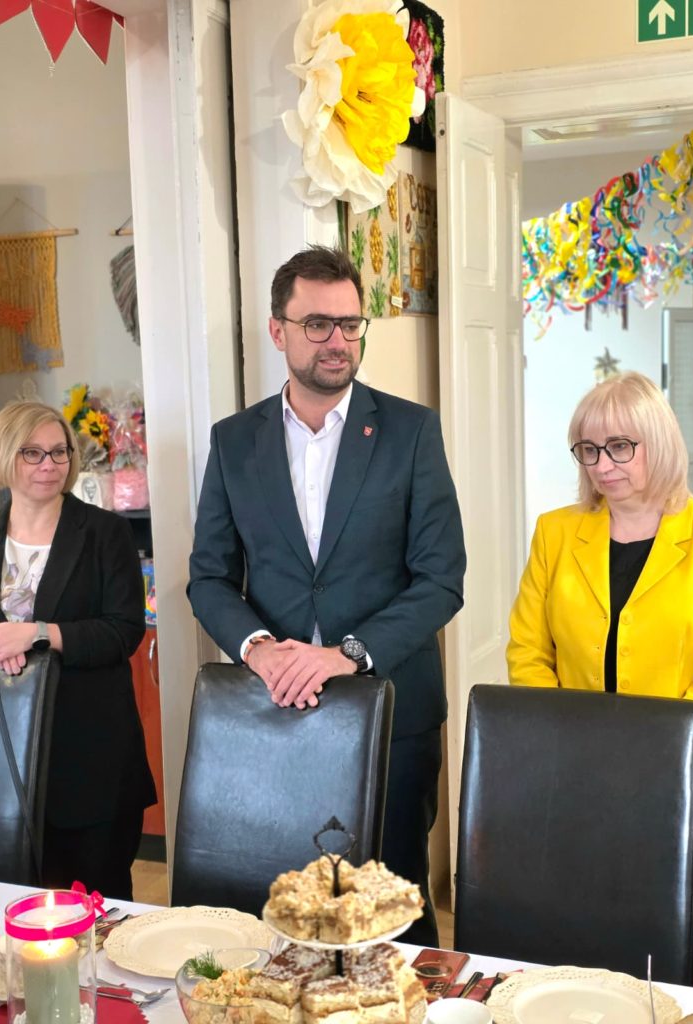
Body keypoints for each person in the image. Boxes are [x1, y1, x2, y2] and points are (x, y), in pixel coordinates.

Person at [188, 245, 466, 945]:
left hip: (394, 709)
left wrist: (348, 654)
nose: (337, 340)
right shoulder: (233, 442)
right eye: (317, 324)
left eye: (349, 324)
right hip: (277, 712)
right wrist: (258, 650)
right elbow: (209, 576)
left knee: (394, 911)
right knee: (289, 907)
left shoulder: (411, 431)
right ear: (277, 330)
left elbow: (441, 578)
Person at [0, 400, 156, 897]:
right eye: (33, 453)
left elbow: (123, 631)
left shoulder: (105, 532)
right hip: (5, 759)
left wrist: (36, 633)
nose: (49, 464)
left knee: (97, 906)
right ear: (3, 457)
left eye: (59, 452)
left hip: (92, 757)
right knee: (15, 903)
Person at [508, 370, 693, 699]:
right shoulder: (553, 532)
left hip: (678, 730)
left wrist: (673, 727)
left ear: (660, 444)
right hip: (568, 728)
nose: (601, 466)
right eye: (589, 450)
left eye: (619, 446)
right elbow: (527, 651)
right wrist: (555, 722)